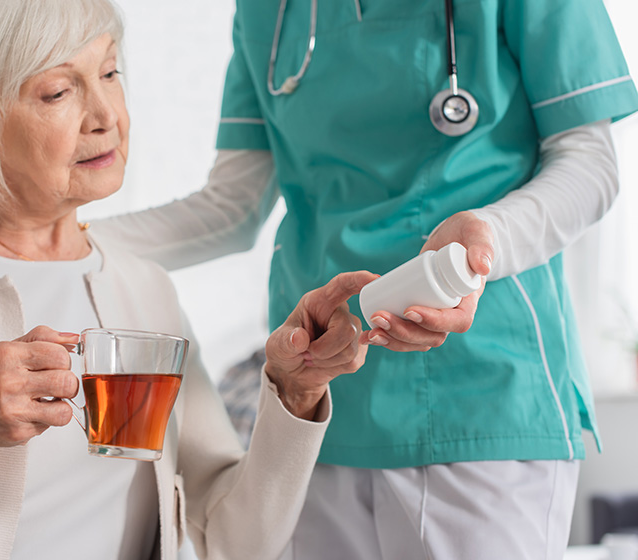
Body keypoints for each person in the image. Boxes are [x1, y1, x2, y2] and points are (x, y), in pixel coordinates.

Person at [0, 1, 377, 558]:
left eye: (109, 72)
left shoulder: (144, 286)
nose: (106, 117)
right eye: (58, 91)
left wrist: (295, 393)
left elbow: (235, 541)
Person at [93, 1, 638, 558]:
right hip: (316, 400)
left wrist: (487, 236)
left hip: (480, 398)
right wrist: (50, 237)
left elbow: (589, 163)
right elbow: (233, 205)